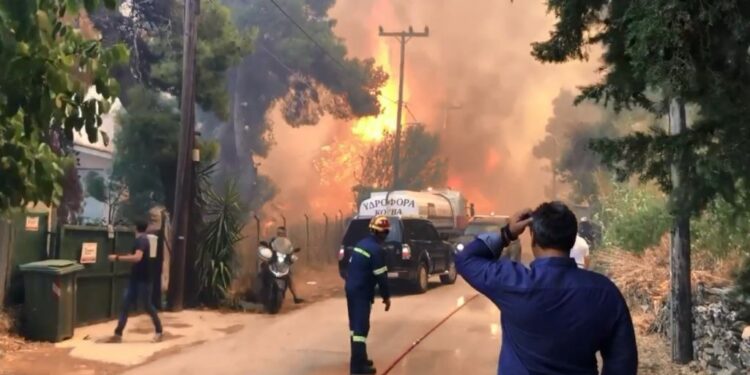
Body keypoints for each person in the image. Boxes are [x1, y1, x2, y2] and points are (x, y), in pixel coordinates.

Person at [456, 202, 637, 375]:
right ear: (573, 239)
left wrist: (507, 233)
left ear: (534, 239)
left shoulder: (511, 282)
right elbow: (622, 362)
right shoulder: (605, 292)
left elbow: (466, 259)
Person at [345, 215, 392, 375]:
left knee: (355, 328)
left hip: (352, 288)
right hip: (361, 292)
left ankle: (361, 358)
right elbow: (382, 277)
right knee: (360, 329)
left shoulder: (362, 244)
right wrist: (386, 297)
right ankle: (357, 369)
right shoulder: (376, 250)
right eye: (386, 233)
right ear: (382, 233)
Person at [107, 220, 163, 343]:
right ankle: (118, 334)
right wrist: (129, 256)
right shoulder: (143, 239)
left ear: (135, 228)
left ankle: (159, 330)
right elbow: (137, 257)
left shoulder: (141, 240)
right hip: (137, 278)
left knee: (147, 306)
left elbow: (137, 258)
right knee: (126, 304)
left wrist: (117, 257)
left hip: (143, 279)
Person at [270, 226, 304, 304]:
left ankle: (296, 297)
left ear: (285, 234)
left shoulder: (287, 243)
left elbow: (290, 251)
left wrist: (292, 253)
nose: (279, 234)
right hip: (274, 263)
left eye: (281, 233)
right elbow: (269, 249)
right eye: (278, 233)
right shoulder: (273, 241)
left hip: (283, 264)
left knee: (289, 277)